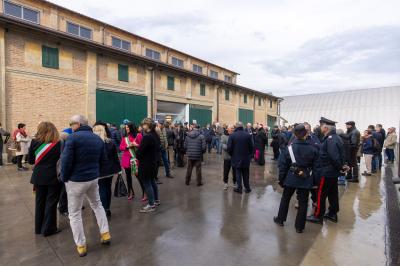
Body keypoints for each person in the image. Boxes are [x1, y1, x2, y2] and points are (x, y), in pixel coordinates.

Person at [60, 115, 111, 257]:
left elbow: (65, 161)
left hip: (76, 180)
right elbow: (103, 160)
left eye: (72, 124)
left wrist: (64, 178)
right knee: (97, 205)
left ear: (78, 124)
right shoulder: (97, 138)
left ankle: (81, 245)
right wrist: (96, 173)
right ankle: (105, 233)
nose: (70, 127)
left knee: (74, 213)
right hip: (93, 178)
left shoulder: (72, 138)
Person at [273, 124, 319, 233]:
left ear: (294, 134)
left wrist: (281, 179)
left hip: (291, 177)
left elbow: (282, 165)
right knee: (303, 203)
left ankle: (280, 219)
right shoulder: (314, 148)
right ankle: (299, 227)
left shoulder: (289, 148)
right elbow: (317, 167)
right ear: (307, 133)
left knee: (285, 198)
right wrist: (314, 182)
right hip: (306, 178)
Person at [307, 117, 347, 224]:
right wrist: (342, 166)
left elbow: (334, 157)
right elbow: (341, 155)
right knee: (333, 193)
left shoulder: (330, 139)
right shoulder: (335, 137)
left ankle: (318, 216)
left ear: (325, 127)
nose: (320, 128)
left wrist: (341, 167)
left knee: (321, 194)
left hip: (327, 172)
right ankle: (332, 213)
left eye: (321, 126)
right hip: (332, 172)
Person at [28, 121, 62, 237]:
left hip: (38, 176)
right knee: (51, 202)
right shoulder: (58, 143)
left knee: (39, 202)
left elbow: (31, 161)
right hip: (53, 176)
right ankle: (49, 228)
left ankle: (38, 228)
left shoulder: (34, 142)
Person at [93, 122, 121, 217]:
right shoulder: (110, 142)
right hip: (110, 169)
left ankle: (103, 209)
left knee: (101, 189)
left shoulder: (95, 143)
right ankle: (107, 208)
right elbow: (115, 157)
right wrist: (118, 169)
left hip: (99, 170)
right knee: (108, 188)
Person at [136, 118, 160, 213]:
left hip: (146, 164)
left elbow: (140, 153)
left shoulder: (147, 137)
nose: (142, 126)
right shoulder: (155, 135)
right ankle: (156, 200)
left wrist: (137, 149)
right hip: (153, 162)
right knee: (152, 182)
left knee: (147, 183)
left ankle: (151, 204)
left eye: (144, 125)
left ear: (148, 125)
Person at [227, 122, 254, 194]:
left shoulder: (232, 135)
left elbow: (229, 148)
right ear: (243, 126)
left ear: (236, 127)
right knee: (246, 174)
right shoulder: (247, 135)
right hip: (246, 158)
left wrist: (232, 154)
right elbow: (251, 147)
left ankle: (239, 188)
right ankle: (247, 188)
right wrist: (250, 155)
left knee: (238, 173)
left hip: (236, 158)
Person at [120, 122, 144, 201]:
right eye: (126, 127)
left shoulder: (138, 135)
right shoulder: (125, 137)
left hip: (134, 159)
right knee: (128, 177)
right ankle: (130, 192)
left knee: (138, 176)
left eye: (128, 127)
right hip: (126, 160)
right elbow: (121, 147)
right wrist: (127, 146)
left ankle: (144, 192)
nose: (126, 129)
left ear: (132, 128)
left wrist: (135, 145)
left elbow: (142, 146)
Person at [221, 125, 236, 190]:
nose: (232, 129)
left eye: (233, 128)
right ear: (228, 129)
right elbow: (222, 145)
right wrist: (230, 148)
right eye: (231, 128)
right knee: (226, 171)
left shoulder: (235, 136)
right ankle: (225, 183)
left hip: (234, 156)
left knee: (235, 171)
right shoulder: (224, 136)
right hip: (227, 156)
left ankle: (235, 183)